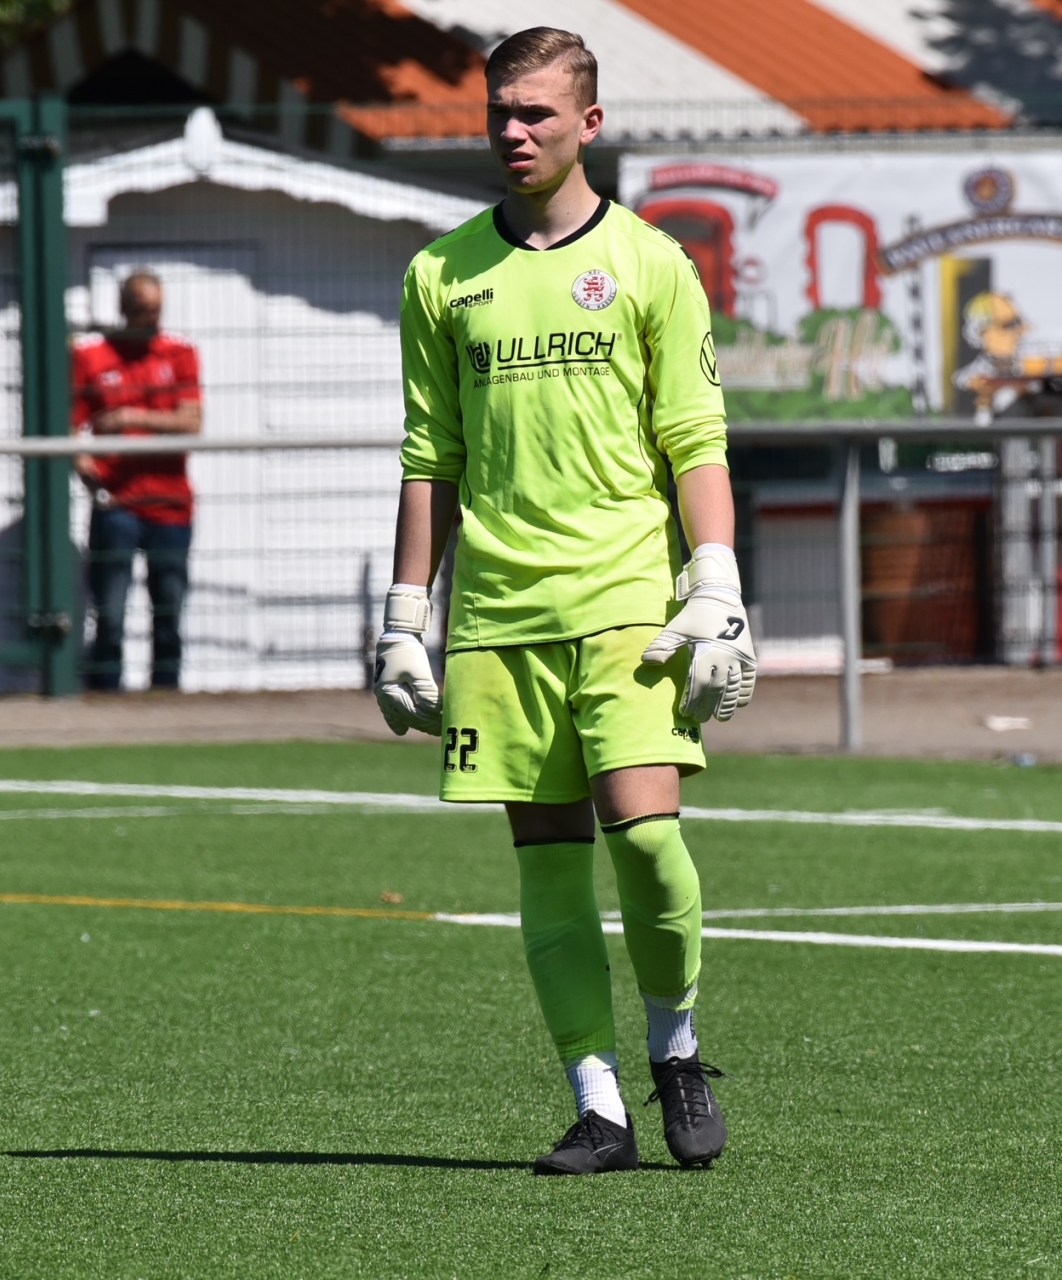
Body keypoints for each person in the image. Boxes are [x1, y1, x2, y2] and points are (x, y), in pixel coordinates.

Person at [375, 27, 756, 1176]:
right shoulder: (441, 274)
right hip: (498, 614)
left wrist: (716, 577)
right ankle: (600, 1104)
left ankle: (676, 1046)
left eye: (537, 112)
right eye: (500, 111)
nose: (514, 130)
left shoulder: (652, 262)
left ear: (590, 123)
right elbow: (430, 456)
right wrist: (403, 615)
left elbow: (694, 435)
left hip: (629, 600)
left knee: (649, 842)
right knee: (546, 869)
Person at [72, 271, 202, 691]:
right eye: (144, 311)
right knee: (109, 615)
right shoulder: (91, 356)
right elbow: (69, 427)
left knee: (168, 615)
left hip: (170, 506)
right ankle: (106, 700)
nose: (152, 319)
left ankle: (165, 700)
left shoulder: (178, 354)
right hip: (117, 505)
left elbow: (191, 421)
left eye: (157, 310)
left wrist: (132, 416)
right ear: (124, 309)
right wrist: (84, 465)